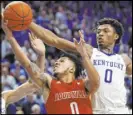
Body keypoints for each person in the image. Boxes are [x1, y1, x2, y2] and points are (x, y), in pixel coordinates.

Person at [28, 17, 132, 114]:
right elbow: (55, 40)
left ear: (116, 36)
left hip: (120, 110)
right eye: (99, 31)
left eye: (105, 31)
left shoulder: (123, 59)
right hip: (97, 110)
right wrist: (28, 23)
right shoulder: (90, 51)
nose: (100, 34)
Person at [2, 15, 100, 114]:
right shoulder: (49, 84)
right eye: (57, 61)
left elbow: (96, 81)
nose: (57, 62)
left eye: (62, 61)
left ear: (72, 69)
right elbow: (27, 64)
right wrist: (10, 36)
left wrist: (84, 55)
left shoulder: (85, 84)